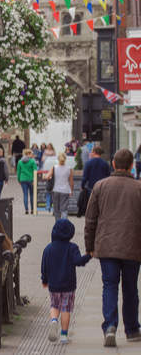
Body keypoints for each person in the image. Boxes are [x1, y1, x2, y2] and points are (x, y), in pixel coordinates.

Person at [84, 148, 141, 347]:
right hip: (133, 246)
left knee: (109, 286)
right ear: (132, 165)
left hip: (107, 246)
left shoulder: (100, 186)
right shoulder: (138, 187)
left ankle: (110, 326)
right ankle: (132, 329)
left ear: (114, 165)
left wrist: (89, 246)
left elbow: (90, 220)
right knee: (130, 288)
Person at [42, 218, 92, 344]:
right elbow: (78, 262)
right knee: (66, 309)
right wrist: (89, 255)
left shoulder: (48, 248)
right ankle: (64, 336)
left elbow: (44, 266)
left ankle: (54, 321)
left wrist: (44, 279)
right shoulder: (72, 247)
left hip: (53, 285)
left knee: (54, 305)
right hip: (68, 285)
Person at [80, 145, 112, 217]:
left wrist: (82, 186)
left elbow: (85, 177)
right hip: (103, 188)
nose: (91, 153)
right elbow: (108, 176)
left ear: (94, 152)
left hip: (91, 188)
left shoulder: (88, 163)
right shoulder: (105, 164)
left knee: (92, 207)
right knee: (101, 206)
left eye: (91, 152)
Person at [45, 152, 74, 220]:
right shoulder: (69, 168)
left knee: (56, 210)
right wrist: (71, 191)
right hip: (65, 190)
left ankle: (58, 226)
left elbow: (47, 176)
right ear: (65, 159)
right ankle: (64, 225)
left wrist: (47, 176)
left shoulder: (54, 167)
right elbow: (71, 182)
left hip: (55, 190)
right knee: (64, 210)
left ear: (58, 159)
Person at [17, 149, 37, 214]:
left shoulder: (20, 162)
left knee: (25, 194)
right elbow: (35, 170)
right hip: (31, 179)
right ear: (28, 154)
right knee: (32, 194)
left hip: (23, 179)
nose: (32, 155)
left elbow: (18, 172)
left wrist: (18, 180)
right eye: (31, 154)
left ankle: (26, 210)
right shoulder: (32, 161)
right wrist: (35, 179)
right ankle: (32, 209)